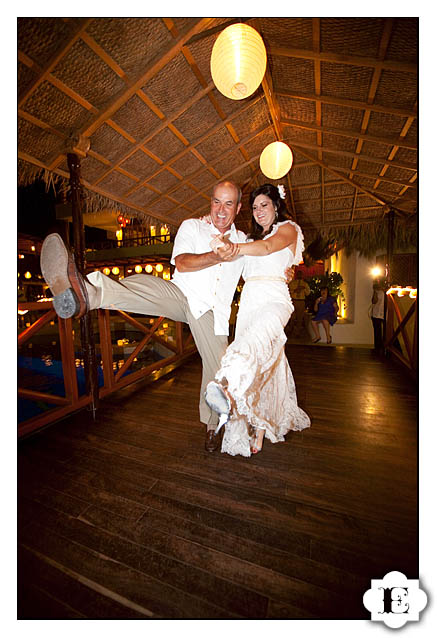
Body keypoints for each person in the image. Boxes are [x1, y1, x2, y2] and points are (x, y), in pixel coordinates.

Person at [40, 181, 246, 453]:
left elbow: (258, 269)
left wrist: (282, 274)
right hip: (182, 294)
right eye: (216, 201)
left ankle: (211, 425)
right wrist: (215, 255)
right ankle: (90, 294)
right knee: (144, 285)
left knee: (218, 369)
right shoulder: (192, 226)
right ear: (210, 202)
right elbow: (182, 262)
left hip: (213, 313)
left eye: (228, 203)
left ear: (238, 208)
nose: (221, 209)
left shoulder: (243, 242)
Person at [204, 183, 311, 457]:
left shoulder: (288, 229)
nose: (259, 211)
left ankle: (227, 387)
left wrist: (236, 246)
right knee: (269, 365)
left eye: (264, 205)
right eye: (254, 207)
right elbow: (232, 249)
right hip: (249, 301)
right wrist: (213, 228)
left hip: (275, 299)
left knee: (255, 342)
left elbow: (266, 249)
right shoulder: (247, 238)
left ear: (276, 206)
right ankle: (258, 426)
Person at [287, 270, 310, 337]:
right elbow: (289, 292)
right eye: (298, 274)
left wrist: (304, 288)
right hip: (294, 301)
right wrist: (295, 290)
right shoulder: (292, 283)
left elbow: (308, 293)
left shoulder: (305, 284)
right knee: (292, 317)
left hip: (301, 301)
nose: (300, 275)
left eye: (301, 274)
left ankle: (297, 333)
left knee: (300, 317)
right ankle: (290, 331)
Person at [371, 279, 385, 353]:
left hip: (385, 313)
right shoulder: (376, 291)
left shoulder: (387, 290)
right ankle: (377, 349)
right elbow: (373, 301)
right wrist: (375, 291)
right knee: (377, 333)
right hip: (376, 314)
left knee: (388, 332)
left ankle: (385, 348)